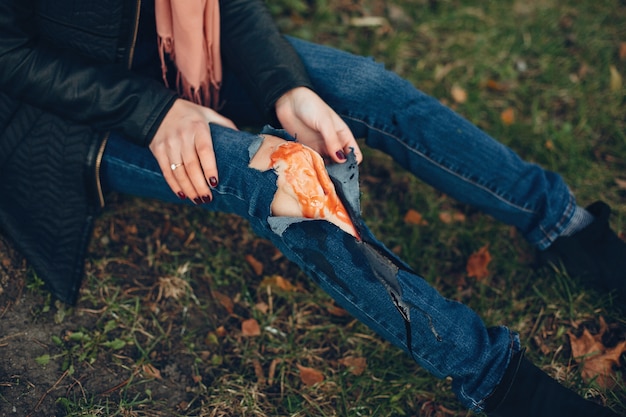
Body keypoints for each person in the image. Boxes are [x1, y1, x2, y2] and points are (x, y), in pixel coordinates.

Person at [0, 1, 623, 416]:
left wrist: (285, 87)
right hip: (66, 112)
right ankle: (494, 379)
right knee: (288, 181)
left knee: (363, 88)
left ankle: (566, 227)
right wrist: (154, 110)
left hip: (184, 51)